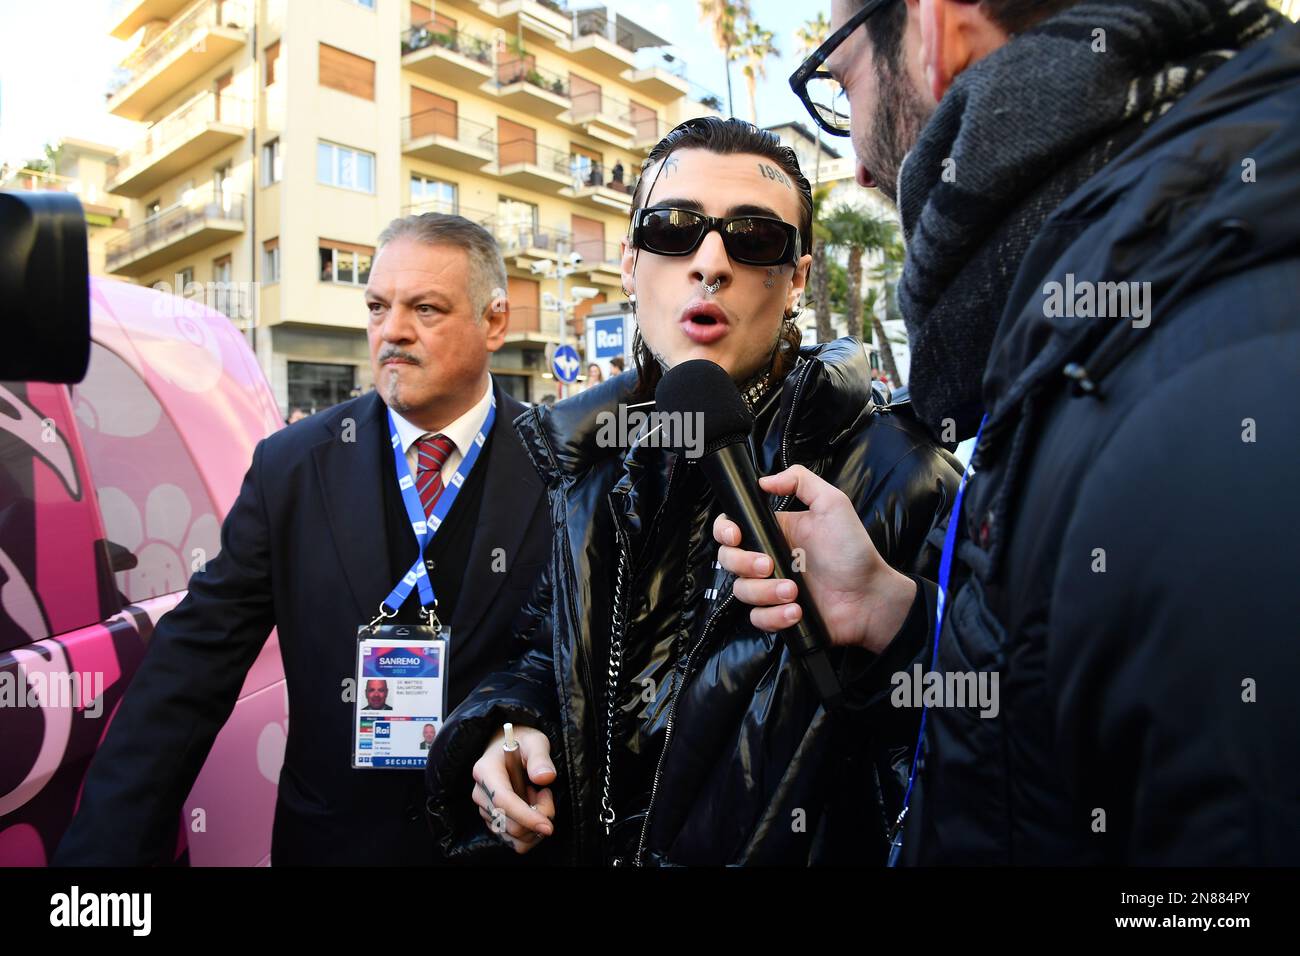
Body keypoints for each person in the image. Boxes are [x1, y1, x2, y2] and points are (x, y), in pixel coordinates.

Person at [718, 0, 1300, 864]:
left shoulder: (1208, 364)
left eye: (841, 87)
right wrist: (901, 620)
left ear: (938, 28)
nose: (866, 175)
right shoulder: (1124, 317)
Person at [426, 117, 962, 865]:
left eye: (754, 239)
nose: (709, 262)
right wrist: (508, 731)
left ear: (798, 278)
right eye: (674, 229)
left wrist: (901, 628)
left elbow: (1015, 746)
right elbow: (548, 657)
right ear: (628, 263)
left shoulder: (909, 475)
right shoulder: (592, 463)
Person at [55, 213, 553, 866]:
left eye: (425, 309)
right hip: (333, 848)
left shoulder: (565, 466)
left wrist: (523, 730)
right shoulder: (291, 467)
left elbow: (581, 656)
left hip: (500, 849)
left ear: (494, 322)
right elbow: (191, 665)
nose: (392, 331)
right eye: (378, 306)